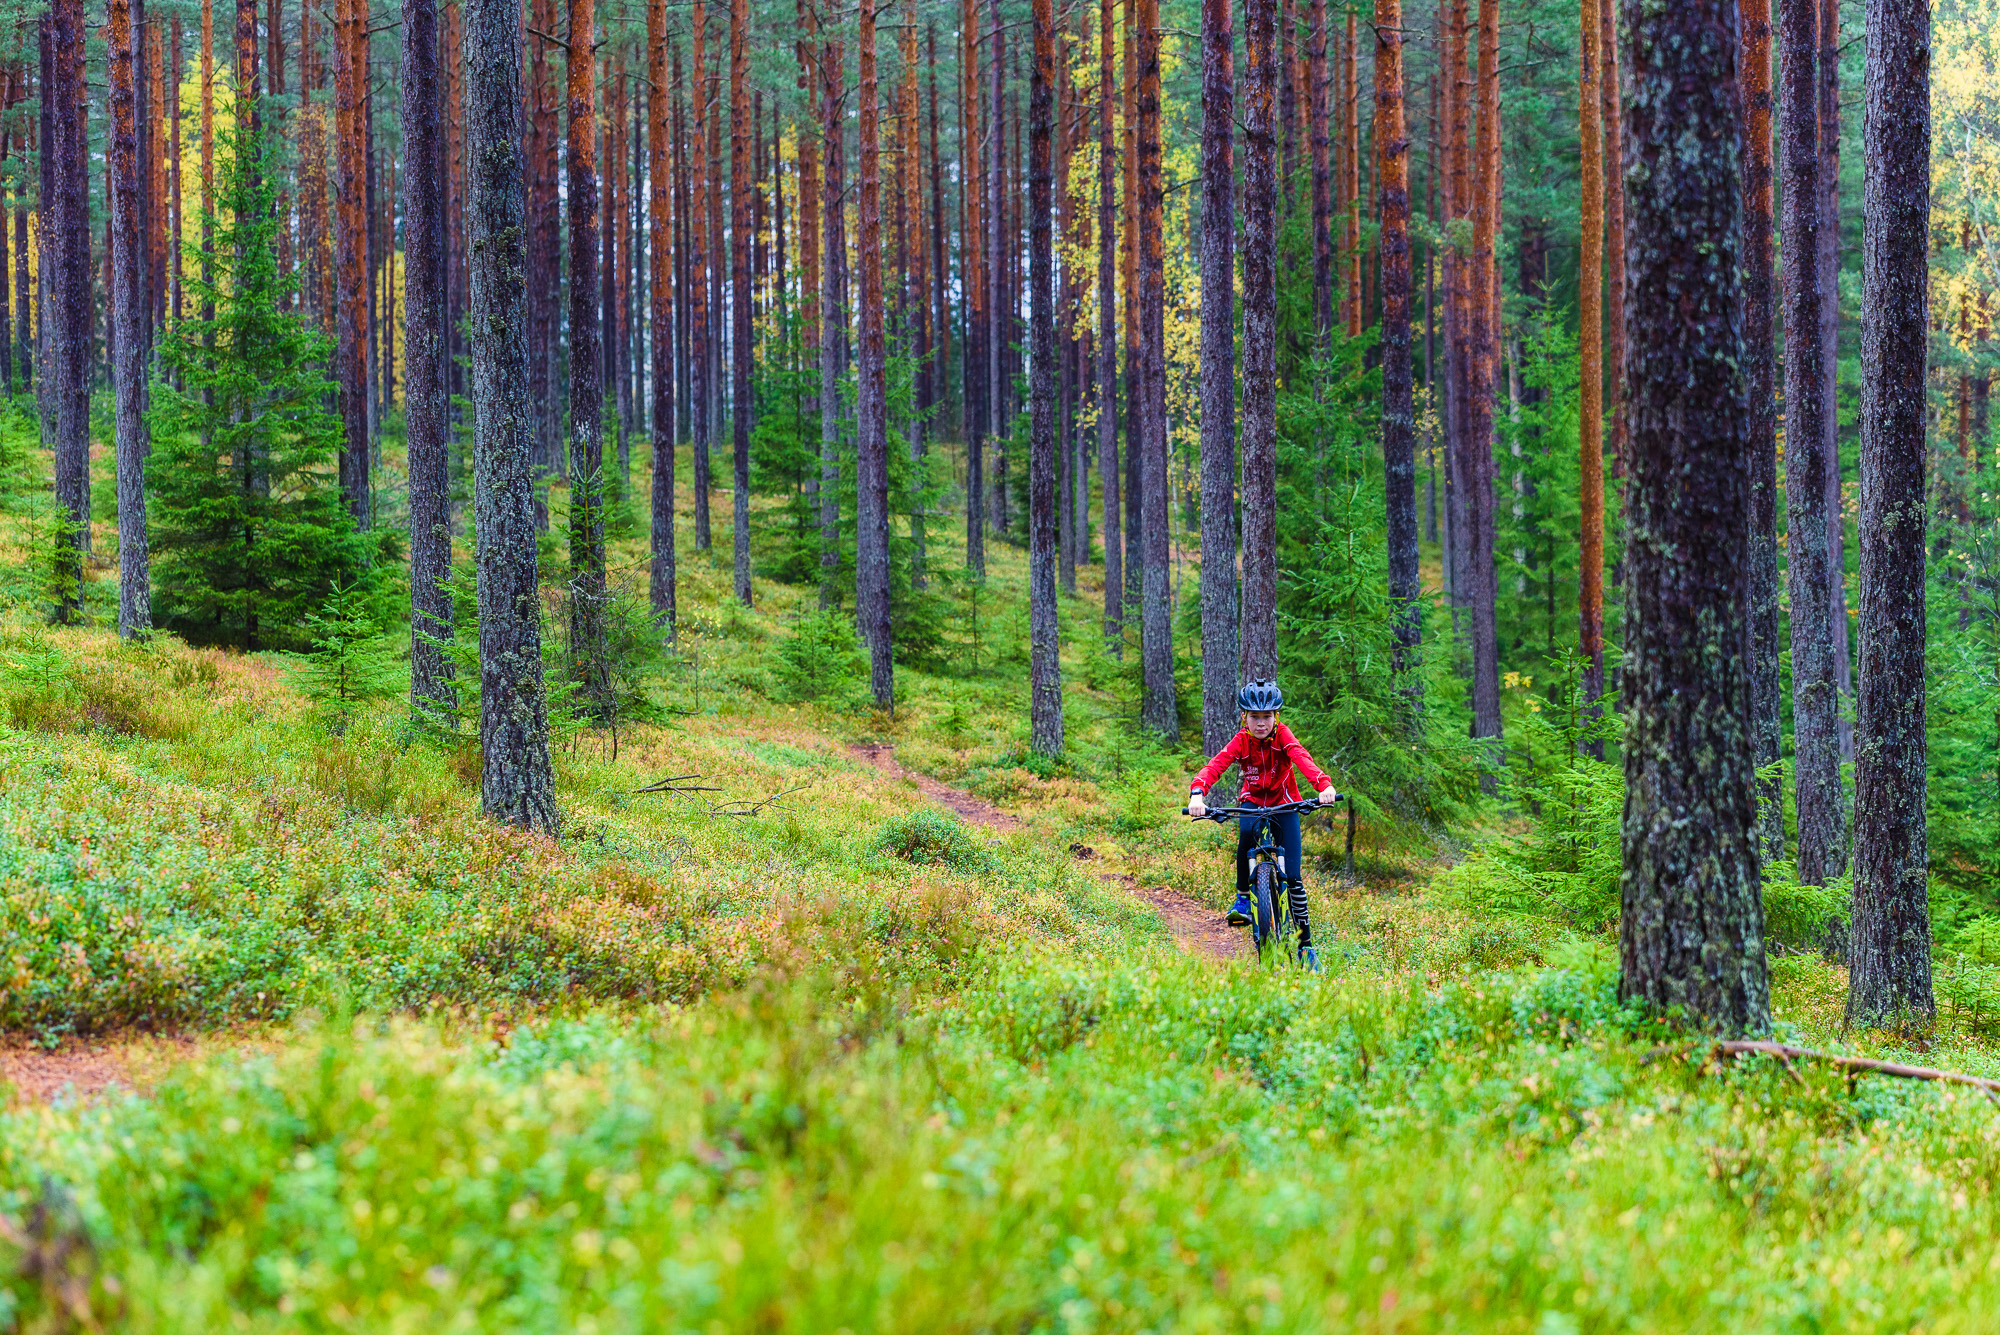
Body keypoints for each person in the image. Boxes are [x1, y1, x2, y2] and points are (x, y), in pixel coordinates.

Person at [1187, 679, 1338, 969]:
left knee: (1293, 877)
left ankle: (1306, 948)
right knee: (1246, 832)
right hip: (1253, 803)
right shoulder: (1241, 740)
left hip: (1285, 803)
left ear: (1276, 717)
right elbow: (1217, 764)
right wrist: (1197, 792)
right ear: (1244, 717)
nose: (1261, 723)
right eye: (1254, 717)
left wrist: (1323, 785)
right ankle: (1243, 898)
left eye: (1267, 716)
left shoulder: (1283, 735)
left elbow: (1301, 757)